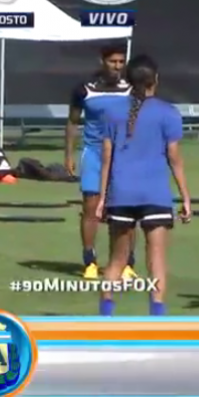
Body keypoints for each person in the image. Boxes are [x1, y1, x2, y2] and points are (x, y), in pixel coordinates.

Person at [96, 55, 190, 316]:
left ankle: (106, 317)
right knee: (156, 259)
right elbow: (175, 159)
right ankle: (156, 317)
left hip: (121, 194)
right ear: (155, 80)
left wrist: (102, 198)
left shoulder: (112, 112)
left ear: (127, 80)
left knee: (117, 259)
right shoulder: (168, 112)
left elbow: (106, 158)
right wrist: (186, 198)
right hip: (156, 194)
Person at [66, 43, 138, 280]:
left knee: (126, 210)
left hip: (124, 155)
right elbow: (73, 122)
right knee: (91, 208)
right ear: (102, 61)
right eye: (112, 61)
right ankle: (90, 261)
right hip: (94, 154)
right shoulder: (85, 90)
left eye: (121, 61)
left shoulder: (132, 88)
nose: (117, 66)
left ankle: (126, 263)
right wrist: (68, 154)